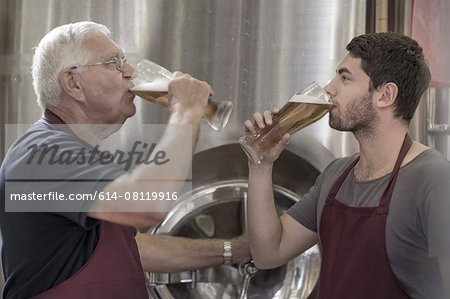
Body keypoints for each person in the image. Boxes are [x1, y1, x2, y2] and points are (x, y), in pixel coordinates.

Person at [0, 21, 250, 299]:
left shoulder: (77, 156)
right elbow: (148, 205)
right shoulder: (41, 153)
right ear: (73, 83)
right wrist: (186, 112)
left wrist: (232, 250)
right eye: (114, 63)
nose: (131, 73)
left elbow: (131, 248)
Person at [244, 32, 450, 298]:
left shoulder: (434, 179)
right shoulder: (336, 175)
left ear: (385, 95)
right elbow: (267, 254)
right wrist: (260, 165)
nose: (329, 88)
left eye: (344, 78)